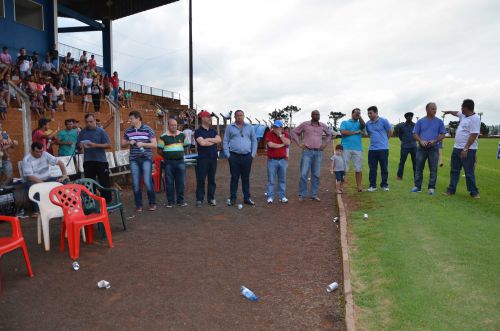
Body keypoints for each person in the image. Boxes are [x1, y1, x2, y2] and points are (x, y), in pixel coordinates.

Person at [443, 99, 481, 198]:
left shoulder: (475, 119)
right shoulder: (463, 115)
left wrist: (465, 149)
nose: (460, 109)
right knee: (454, 170)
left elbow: (473, 135)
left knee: (469, 172)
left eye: (462, 107)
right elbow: (456, 113)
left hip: (468, 150)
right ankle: (451, 190)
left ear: (467, 108)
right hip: (456, 148)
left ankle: (474, 192)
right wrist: (449, 112)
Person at [292, 110, 332, 201]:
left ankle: (314, 195)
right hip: (307, 152)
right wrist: (299, 143)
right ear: (311, 115)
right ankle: (302, 194)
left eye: (318, 114)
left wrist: (325, 144)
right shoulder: (305, 124)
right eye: (315, 114)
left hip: (318, 152)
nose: (317, 116)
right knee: (303, 174)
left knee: (316, 174)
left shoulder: (322, 125)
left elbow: (329, 134)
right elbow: (294, 132)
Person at [121, 111, 157, 212]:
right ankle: (138, 205)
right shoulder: (128, 131)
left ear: (138, 118)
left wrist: (143, 144)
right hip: (134, 160)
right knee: (136, 183)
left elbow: (154, 145)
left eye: (131, 118)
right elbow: (122, 144)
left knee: (147, 181)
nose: (130, 120)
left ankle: (152, 203)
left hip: (146, 158)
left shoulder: (148, 129)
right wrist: (128, 142)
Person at [22, 142, 68, 217]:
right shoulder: (27, 159)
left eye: (41, 151)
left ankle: (63, 206)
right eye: (37, 152)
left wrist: (64, 175)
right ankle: (37, 211)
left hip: (47, 179)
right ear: (32, 150)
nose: (40, 154)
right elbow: (29, 177)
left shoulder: (45, 154)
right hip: (34, 181)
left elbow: (60, 163)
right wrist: (43, 183)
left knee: (63, 183)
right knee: (34, 188)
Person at [223, 110, 258, 206]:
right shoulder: (230, 127)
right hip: (233, 156)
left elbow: (254, 141)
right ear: (234, 117)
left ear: (244, 116)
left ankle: (247, 198)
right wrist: (228, 155)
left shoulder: (250, 127)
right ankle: (233, 198)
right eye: (237, 115)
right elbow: (225, 141)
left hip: (247, 156)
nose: (239, 117)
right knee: (234, 178)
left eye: (241, 115)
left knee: (245, 178)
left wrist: (252, 154)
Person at [410, 103, 446, 194]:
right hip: (421, 149)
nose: (435, 110)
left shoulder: (439, 121)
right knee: (418, 168)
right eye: (433, 109)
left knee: (433, 169)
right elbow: (414, 134)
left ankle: (431, 188)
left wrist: (435, 140)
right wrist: (421, 141)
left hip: (433, 148)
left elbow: (443, 134)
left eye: (435, 109)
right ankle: (417, 187)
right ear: (427, 109)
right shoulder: (420, 121)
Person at [77, 113, 112, 201]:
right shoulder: (82, 132)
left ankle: (107, 202)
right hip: (88, 161)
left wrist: (95, 145)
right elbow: (77, 145)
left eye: (91, 121)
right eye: (87, 122)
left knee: (104, 182)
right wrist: (80, 145)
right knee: (89, 183)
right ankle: (91, 203)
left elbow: (109, 145)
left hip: (101, 161)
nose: (89, 123)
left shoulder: (101, 131)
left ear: (95, 121)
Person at [158, 118, 188, 208]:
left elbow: (186, 146)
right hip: (168, 163)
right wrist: (167, 156)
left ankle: (180, 201)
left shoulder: (182, 135)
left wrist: (179, 153)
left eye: (175, 125)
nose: (174, 127)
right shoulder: (163, 136)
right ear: (168, 126)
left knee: (181, 182)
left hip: (180, 162)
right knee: (169, 183)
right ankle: (170, 202)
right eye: (172, 125)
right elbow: (159, 150)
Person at [194, 111, 221, 207]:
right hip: (202, 159)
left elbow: (219, 140)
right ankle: (199, 199)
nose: (210, 118)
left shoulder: (213, 131)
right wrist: (213, 141)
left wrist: (208, 140)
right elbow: (202, 143)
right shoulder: (198, 131)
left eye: (210, 117)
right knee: (201, 179)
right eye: (208, 117)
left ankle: (211, 198)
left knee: (212, 179)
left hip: (213, 159)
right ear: (202, 118)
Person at [365, 106, 392, 192]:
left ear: (376, 113)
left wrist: (385, 140)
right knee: (372, 168)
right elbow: (369, 134)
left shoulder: (384, 121)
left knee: (384, 168)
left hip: (383, 149)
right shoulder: (367, 124)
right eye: (368, 113)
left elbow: (390, 131)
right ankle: (373, 186)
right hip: (372, 149)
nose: (369, 115)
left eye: (371, 113)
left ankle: (384, 185)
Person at [339, 108, 365, 192]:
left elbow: (363, 126)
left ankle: (359, 186)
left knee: (358, 169)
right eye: (356, 113)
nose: (357, 114)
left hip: (357, 148)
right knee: (343, 169)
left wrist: (360, 117)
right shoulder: (345, 122)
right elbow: (343, 132)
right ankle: (341, 186)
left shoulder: (359, 123)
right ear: (352, 113)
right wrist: (354, 132)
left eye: (359, 113)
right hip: (346, 148)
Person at [265, 119, 290, 204]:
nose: (275, 128)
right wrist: (282, 144)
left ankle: (282, 196)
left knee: (282, 179)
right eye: (274, 126)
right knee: (271, 180)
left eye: (277, 127)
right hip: (272, 160)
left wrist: (280, 135)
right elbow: (270, 145)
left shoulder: (285, 134)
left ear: (281, 128)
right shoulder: (269, 134)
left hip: (282, 160)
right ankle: (270, 197)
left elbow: (288, 143)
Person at [396, 112, 417, 180]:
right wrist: (404, 140)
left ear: (412, 117)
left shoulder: (415, 125)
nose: (409, 117)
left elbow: (418, 134)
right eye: (408, 116)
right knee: (402, 162)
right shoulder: (402, 126)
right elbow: (400, 135)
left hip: (414, 146)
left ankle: (416, 176)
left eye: (410, 116)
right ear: (405, 117)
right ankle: (399, 176)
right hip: (405, 146)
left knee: (415, 162)